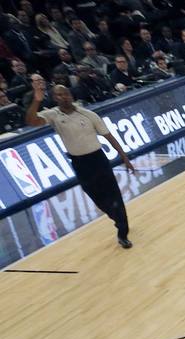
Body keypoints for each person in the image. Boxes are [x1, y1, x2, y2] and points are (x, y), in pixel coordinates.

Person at [24, 76, 135, 249]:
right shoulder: (53, 115)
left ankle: (123, 232)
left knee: (114, 196)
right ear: (54, 98)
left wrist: (125, 158)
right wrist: (36, 101)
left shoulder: (88, 114)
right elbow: (31, 121)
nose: (63, 97)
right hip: (79, 163)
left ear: (71, 95)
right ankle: (117, 218)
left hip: (98, 159)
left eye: (66, 94)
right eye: (59, 95)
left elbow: (109, 136)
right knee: (97, 198)